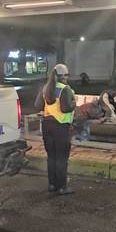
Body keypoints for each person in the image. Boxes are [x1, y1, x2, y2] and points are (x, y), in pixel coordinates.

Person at [35, 64, 76, 195]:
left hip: (47, 126)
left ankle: (52, 184)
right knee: (62, 158)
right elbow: (66, 108)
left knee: (51, 157)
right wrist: (74, 102)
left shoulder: (45, 88)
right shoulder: (65, 89)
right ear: (63, 76)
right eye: (67, 75)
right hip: (61, 127)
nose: (67, 77)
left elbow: (37, 105)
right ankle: (62, 187)